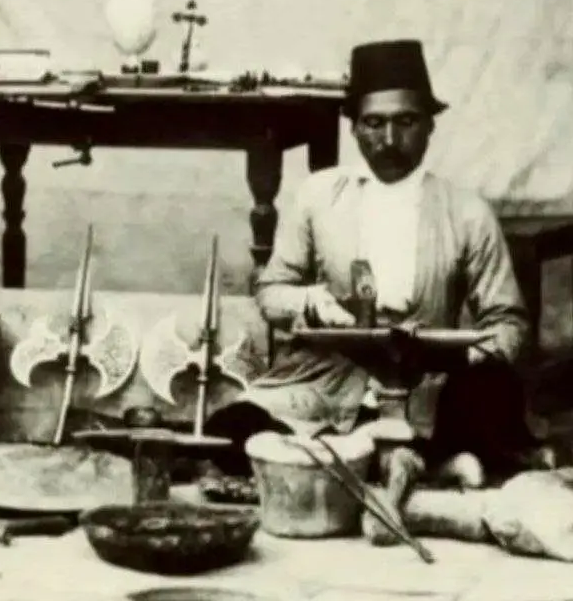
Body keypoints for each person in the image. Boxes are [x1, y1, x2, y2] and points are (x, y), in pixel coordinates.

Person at [206, 39, 539, 485]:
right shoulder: (319, 197)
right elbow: (270, 291)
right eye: (374, 124)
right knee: (229, 430)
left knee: (494, 391)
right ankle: (416, 466)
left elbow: (508, 321)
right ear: (355, 128)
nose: (390, 140)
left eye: (406, 122)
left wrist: (467, 354)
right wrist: (311, 301)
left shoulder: (466, 211)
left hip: (427, 386)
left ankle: (350, 464)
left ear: (429, 125)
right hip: (326, 384)